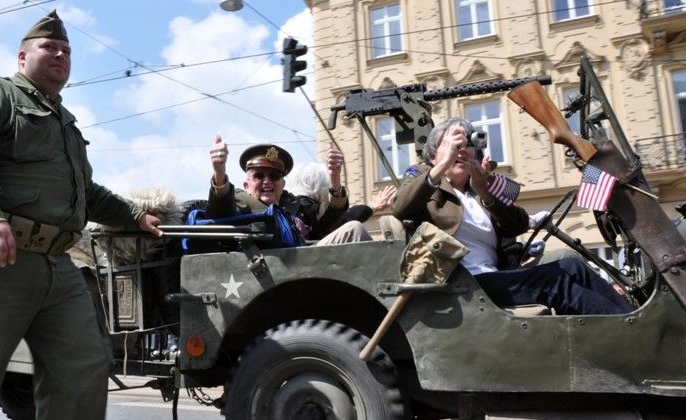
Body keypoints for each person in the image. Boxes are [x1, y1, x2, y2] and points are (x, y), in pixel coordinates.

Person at [0, 10, 163, 420]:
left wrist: (135, 216)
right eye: (48, 47)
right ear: (23, 56)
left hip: (57, 265)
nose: (59, 54)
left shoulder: (67, 122)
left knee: (84, 369)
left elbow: (87, 193)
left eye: (66, 50)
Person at [391, 117, 634, 315]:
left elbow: (517, 224)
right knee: (557, 281)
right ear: (434, 154)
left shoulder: (479, 190)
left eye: (466, 146)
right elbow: (401, 207)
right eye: (453, 145)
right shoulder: (423, 177)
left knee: (572, 266)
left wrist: (485, 191)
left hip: (495, 277)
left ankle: (635, 318)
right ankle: (633, 335)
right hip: (463, 284)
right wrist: (441, 166)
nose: (461, 152)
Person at [207, 135, 370, 245]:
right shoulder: (241, 202)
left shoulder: (295, 205)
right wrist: (220, 173)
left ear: (283, 184)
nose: (267, 181)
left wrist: (334, 177)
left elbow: (327, 222)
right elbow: (222, 211)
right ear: (246, 185)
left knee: (358, 229)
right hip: (271, 272)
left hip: (306, 264)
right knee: (354, 229)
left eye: (274, 176)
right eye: (258, 176)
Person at [288, 160, 397, 239]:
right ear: (319, 185)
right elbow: (343, 219)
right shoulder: (306, 206)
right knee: (355, 228)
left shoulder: (291, 205)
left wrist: (373, 207)